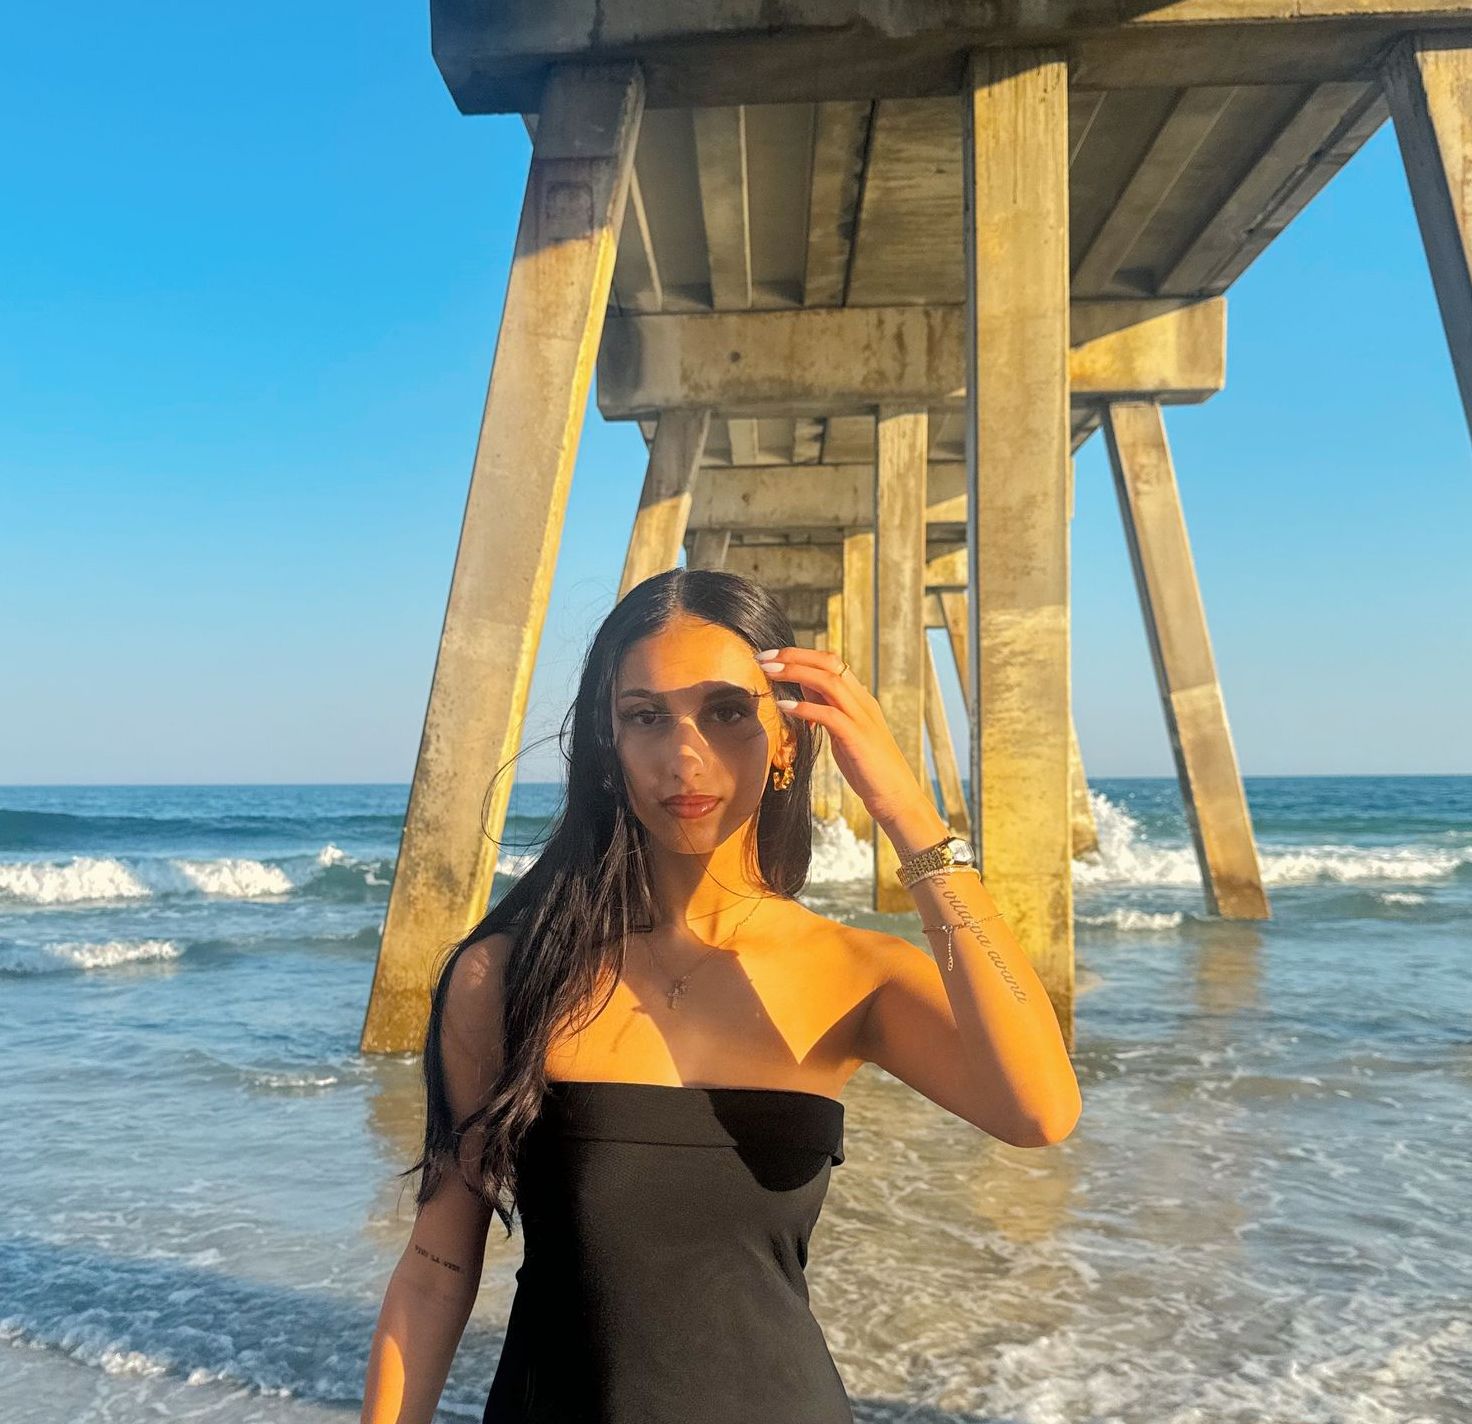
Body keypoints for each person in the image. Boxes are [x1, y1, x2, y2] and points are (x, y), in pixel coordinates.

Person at [359, 567, 1081, 1424]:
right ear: (610, 745)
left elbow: (1039, 1110)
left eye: (727, 711)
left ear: (786, 741)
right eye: (646, 717)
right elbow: (439, 1268)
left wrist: (908, 815)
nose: (684, 756)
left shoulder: (854, 971)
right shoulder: (508, 978)